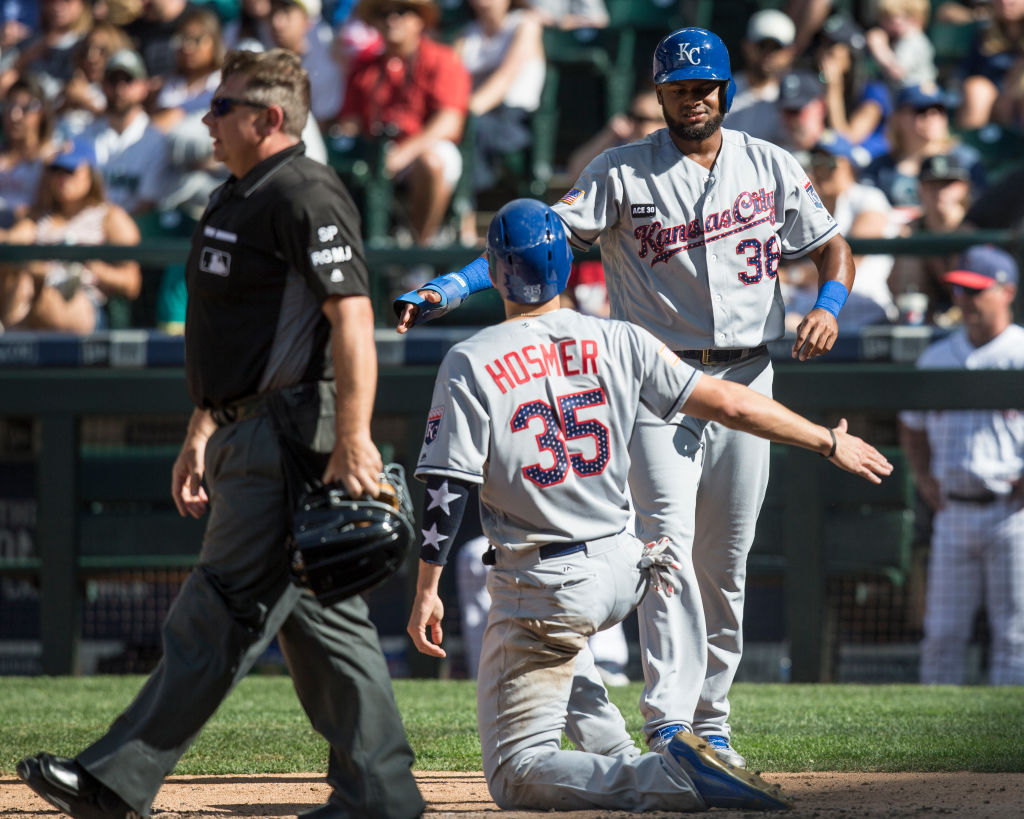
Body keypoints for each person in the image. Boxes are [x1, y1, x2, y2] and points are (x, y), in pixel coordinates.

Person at [397, 27, 857, 769]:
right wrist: (452, 285)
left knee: (725, 563)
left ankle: (716, 721)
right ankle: (670, 723)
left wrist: (830, 302)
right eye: (678, 88)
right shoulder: (620, 172)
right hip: (658, 379)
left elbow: (833, 243)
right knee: (665, 548)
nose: (692, 99)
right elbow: (539, 234)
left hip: (748, 372)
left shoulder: (770, 165)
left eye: (703, 87)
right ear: (659, 93)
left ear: (725, 90)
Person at [15, 48, 425, 819]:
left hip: (291, 436)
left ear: (269, 119)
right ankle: (383, 796)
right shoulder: (237, 193)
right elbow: (229, 333)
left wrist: (355, 437)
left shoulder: (306, 191)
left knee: (215, 608)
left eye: (224, 106)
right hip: (243, 429)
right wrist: (200, 424)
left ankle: (113, 780)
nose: (207, 119)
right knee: (325, 622)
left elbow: (353, 320)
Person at [407, 197, 890, 812]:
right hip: (625, 565)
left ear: (497, 271)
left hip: (546, 576)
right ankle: (638, 756)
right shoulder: (621, 339)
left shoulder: (471, 359)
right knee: (556, 645)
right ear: (565, 265)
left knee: (513, 774)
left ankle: (673, 782)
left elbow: (448, 491)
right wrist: (827, 440)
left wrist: (428, 587)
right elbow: (732, 405)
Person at [899, 244, 1024, 685]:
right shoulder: (937, 356)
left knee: (1015, 636)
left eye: (977, 291)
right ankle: (936, 744)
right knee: (941, 634)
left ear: (1006, 291)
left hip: (1011, 510)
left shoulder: (1020, 350)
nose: (966, 300)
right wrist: (923, 475)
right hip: (953, 510)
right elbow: (911, 426)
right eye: (960, 290)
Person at [335, 0, 470, 245]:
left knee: (432, 161)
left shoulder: (441, 58)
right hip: (377, 152)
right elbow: (351, 121)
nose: (391, 19)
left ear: (419, 20)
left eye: (402, 12)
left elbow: (449, 121)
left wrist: (404, 153)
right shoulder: (363, 68)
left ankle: (420, 250)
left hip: (424, 150)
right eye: (383, 13)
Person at [0, 138, 142, 333]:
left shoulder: (110, 216)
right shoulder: (39, 216)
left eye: (69, 171)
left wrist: (92, 267)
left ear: (90, 175)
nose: (61, 178)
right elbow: (11, 240)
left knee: (44, 294)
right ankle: (12, 350)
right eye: (55, 171)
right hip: (31, 297)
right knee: (18, 279)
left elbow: (131, 283)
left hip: (82, 301)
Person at [781, 131, 898, 332]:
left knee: (786, 320)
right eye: (816, 163)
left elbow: (851, 258)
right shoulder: (812, 203)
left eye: (829, 164)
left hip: (862, 301)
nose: (821, 170)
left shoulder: (868, 197)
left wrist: (791, 274)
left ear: (849, 166)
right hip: (809, 300)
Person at [454, 0, 546, 195]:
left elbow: (504, 80)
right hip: (473, 116)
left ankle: (465, 213)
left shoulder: (526, 25)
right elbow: (451, 79)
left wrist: (461, 113)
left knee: (470, 131)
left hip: (515, 121)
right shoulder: (467, 33)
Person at [80, 48, 171, 215]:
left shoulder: (156, 140)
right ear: (103, 86)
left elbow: (147, 204)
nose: (120, 88)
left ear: (144, 87)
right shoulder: (84, 136)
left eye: (128, 80)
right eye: (113, 80)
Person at [888, 152, 975, 325]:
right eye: (932, 184)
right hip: (924, 314)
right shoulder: (911, 230)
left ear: (963, 188)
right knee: (909, 258)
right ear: (920, 187)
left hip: (968, 319)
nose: (939, 191)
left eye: (947, 184)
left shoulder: (974, 226)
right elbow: (895, 287)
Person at [815, 13, 894, 166]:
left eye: (832, 45)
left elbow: (845, 139)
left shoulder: (874, 91)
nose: (824, 52)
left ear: (851, 54)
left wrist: (834, 87)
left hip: (870, 169)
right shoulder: (814, 85)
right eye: (822, 43)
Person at [723, 8, 797, 143]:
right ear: (746, 46)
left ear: (790, 53)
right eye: (762, 45)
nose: (768, 54)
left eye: (776, 48)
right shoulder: (720, 91)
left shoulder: (796, 99)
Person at [268, 0, 345, 126]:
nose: (276, 23)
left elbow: (321, 124)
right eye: (273, 12)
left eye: (286, 12)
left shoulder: (326, 65)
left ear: (306, 20)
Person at [150, 6, 224, 133]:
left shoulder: (224, 83)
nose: (187, 48)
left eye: (196, 40)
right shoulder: (169, 85)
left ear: (214, 41)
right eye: (182, 39)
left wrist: (177, 115)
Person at [0, 73, 59, 227]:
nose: (15, 116)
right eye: (9, 106)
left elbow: (48, 208)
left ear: (42, 112)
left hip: (29, 237)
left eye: (25, 108)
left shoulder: (52, 157)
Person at [957, 0, 1024, 129]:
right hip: (990, 101)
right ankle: (973, 144)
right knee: (976, 88)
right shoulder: (983, 33)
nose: (1005, 2)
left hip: (1019, 101)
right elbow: (965, 73)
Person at [865, 0, 938, 91]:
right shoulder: (905, 39)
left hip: (917, 91)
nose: (882, 23)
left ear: (913, 19)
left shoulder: (912, 39)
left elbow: (897, 71)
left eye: (889, 19)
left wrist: (879, 48)